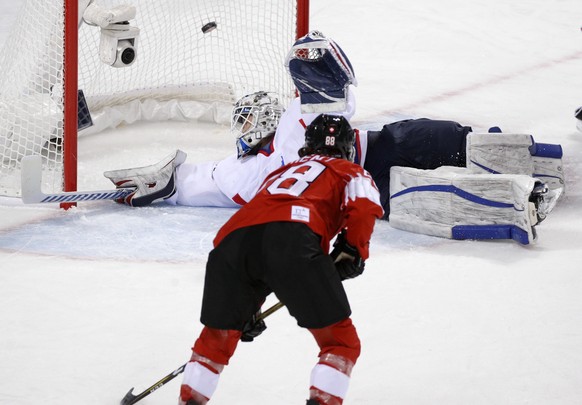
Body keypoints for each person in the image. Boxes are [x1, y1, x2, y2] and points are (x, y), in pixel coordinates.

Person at [104, 31, 563, 244]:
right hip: (357, 184)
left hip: (383, 143)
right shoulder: (242, 171)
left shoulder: (290, 118)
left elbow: (333, 92)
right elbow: (197, 179)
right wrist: (165, 182)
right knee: (420, 195)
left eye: (247, 120)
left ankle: (543, 162)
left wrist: (311, 62)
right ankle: (519, 201)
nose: (242, 130)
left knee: (443, 136)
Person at [177, 114, 384, 405]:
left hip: (231, 242)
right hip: (293, 237)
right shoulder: (351, 171)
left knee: (217, 339)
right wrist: (353, 249)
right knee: (340, 342)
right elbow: (364, 208)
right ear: (348, 148)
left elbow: (262, 233)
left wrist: (248, 305)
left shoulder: (280, 173)